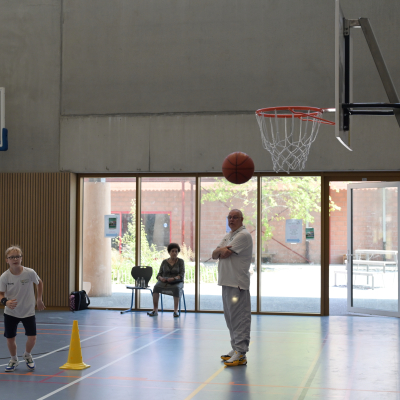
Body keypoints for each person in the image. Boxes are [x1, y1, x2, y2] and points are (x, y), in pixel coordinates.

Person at [212, 209, 253, 367]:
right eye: (229, 217)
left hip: (237, 284)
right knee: (230, 319)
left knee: (239, 319)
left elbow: (225, 254)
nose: (231, 219)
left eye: (235, 217)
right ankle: (235, 348)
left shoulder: (243, 235)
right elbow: (214, 254)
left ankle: (241, 353)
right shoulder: (229, 235)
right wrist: (220, 250)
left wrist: (222, 251)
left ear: (242, 219)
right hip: (226, 282)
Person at [0, 245, 45, 372]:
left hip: (28, 311)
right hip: (11, 312)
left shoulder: (29, 273)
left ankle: (27, 355)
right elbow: (1, 294)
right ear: (7, 260)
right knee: (10, 338)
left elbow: (39, 282)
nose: (15, 259)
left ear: (21, 258)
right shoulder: (4, 277)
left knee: (32, 337)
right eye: (11, 257)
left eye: (17, 256)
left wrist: (39, 299)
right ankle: (13, 359)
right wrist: (5, 302)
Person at [147, 243, 185, 318]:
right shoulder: (164, 262)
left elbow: (181, 275)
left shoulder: (181, 261)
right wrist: (161, 278)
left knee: (176, 288)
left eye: (176, 251)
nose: (174, 253)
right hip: (164, 281)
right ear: (169, 252)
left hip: (176, 281)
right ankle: (155, 310)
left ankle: (175, 311)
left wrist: (173, 278)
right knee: (156, 287)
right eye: (172, 251)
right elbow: (159, 274)